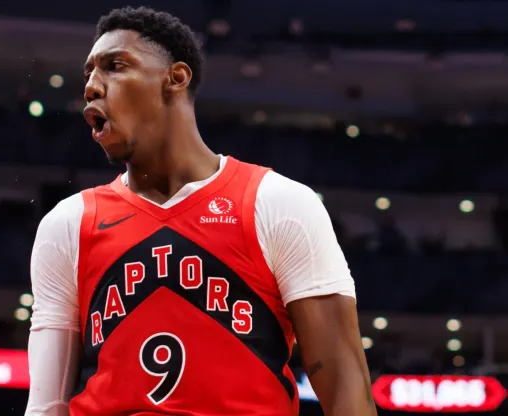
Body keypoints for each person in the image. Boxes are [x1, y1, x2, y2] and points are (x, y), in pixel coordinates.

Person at [26, 6, 377, 416]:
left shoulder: (279, 203)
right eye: (88, 73)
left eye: (115, 66)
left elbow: (347, 389)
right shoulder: (67, 224)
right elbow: (47, 406)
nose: (91, 86)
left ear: (176, 78)